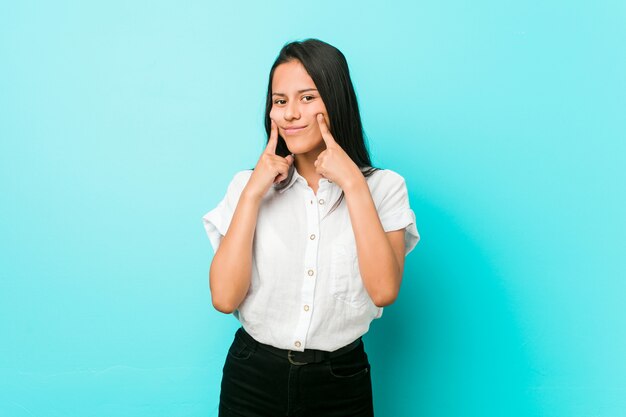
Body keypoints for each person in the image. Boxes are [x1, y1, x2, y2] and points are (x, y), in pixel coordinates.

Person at [201, 38, 420, 417]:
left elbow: (384, 290)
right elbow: (224, 298)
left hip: (340, 382)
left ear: (335, 101)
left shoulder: (385, 188)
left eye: (307, 97)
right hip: (251, 377)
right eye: (280, 101)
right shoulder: (245, 186)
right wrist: (252, 196)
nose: (290, 114)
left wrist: (353, 185)